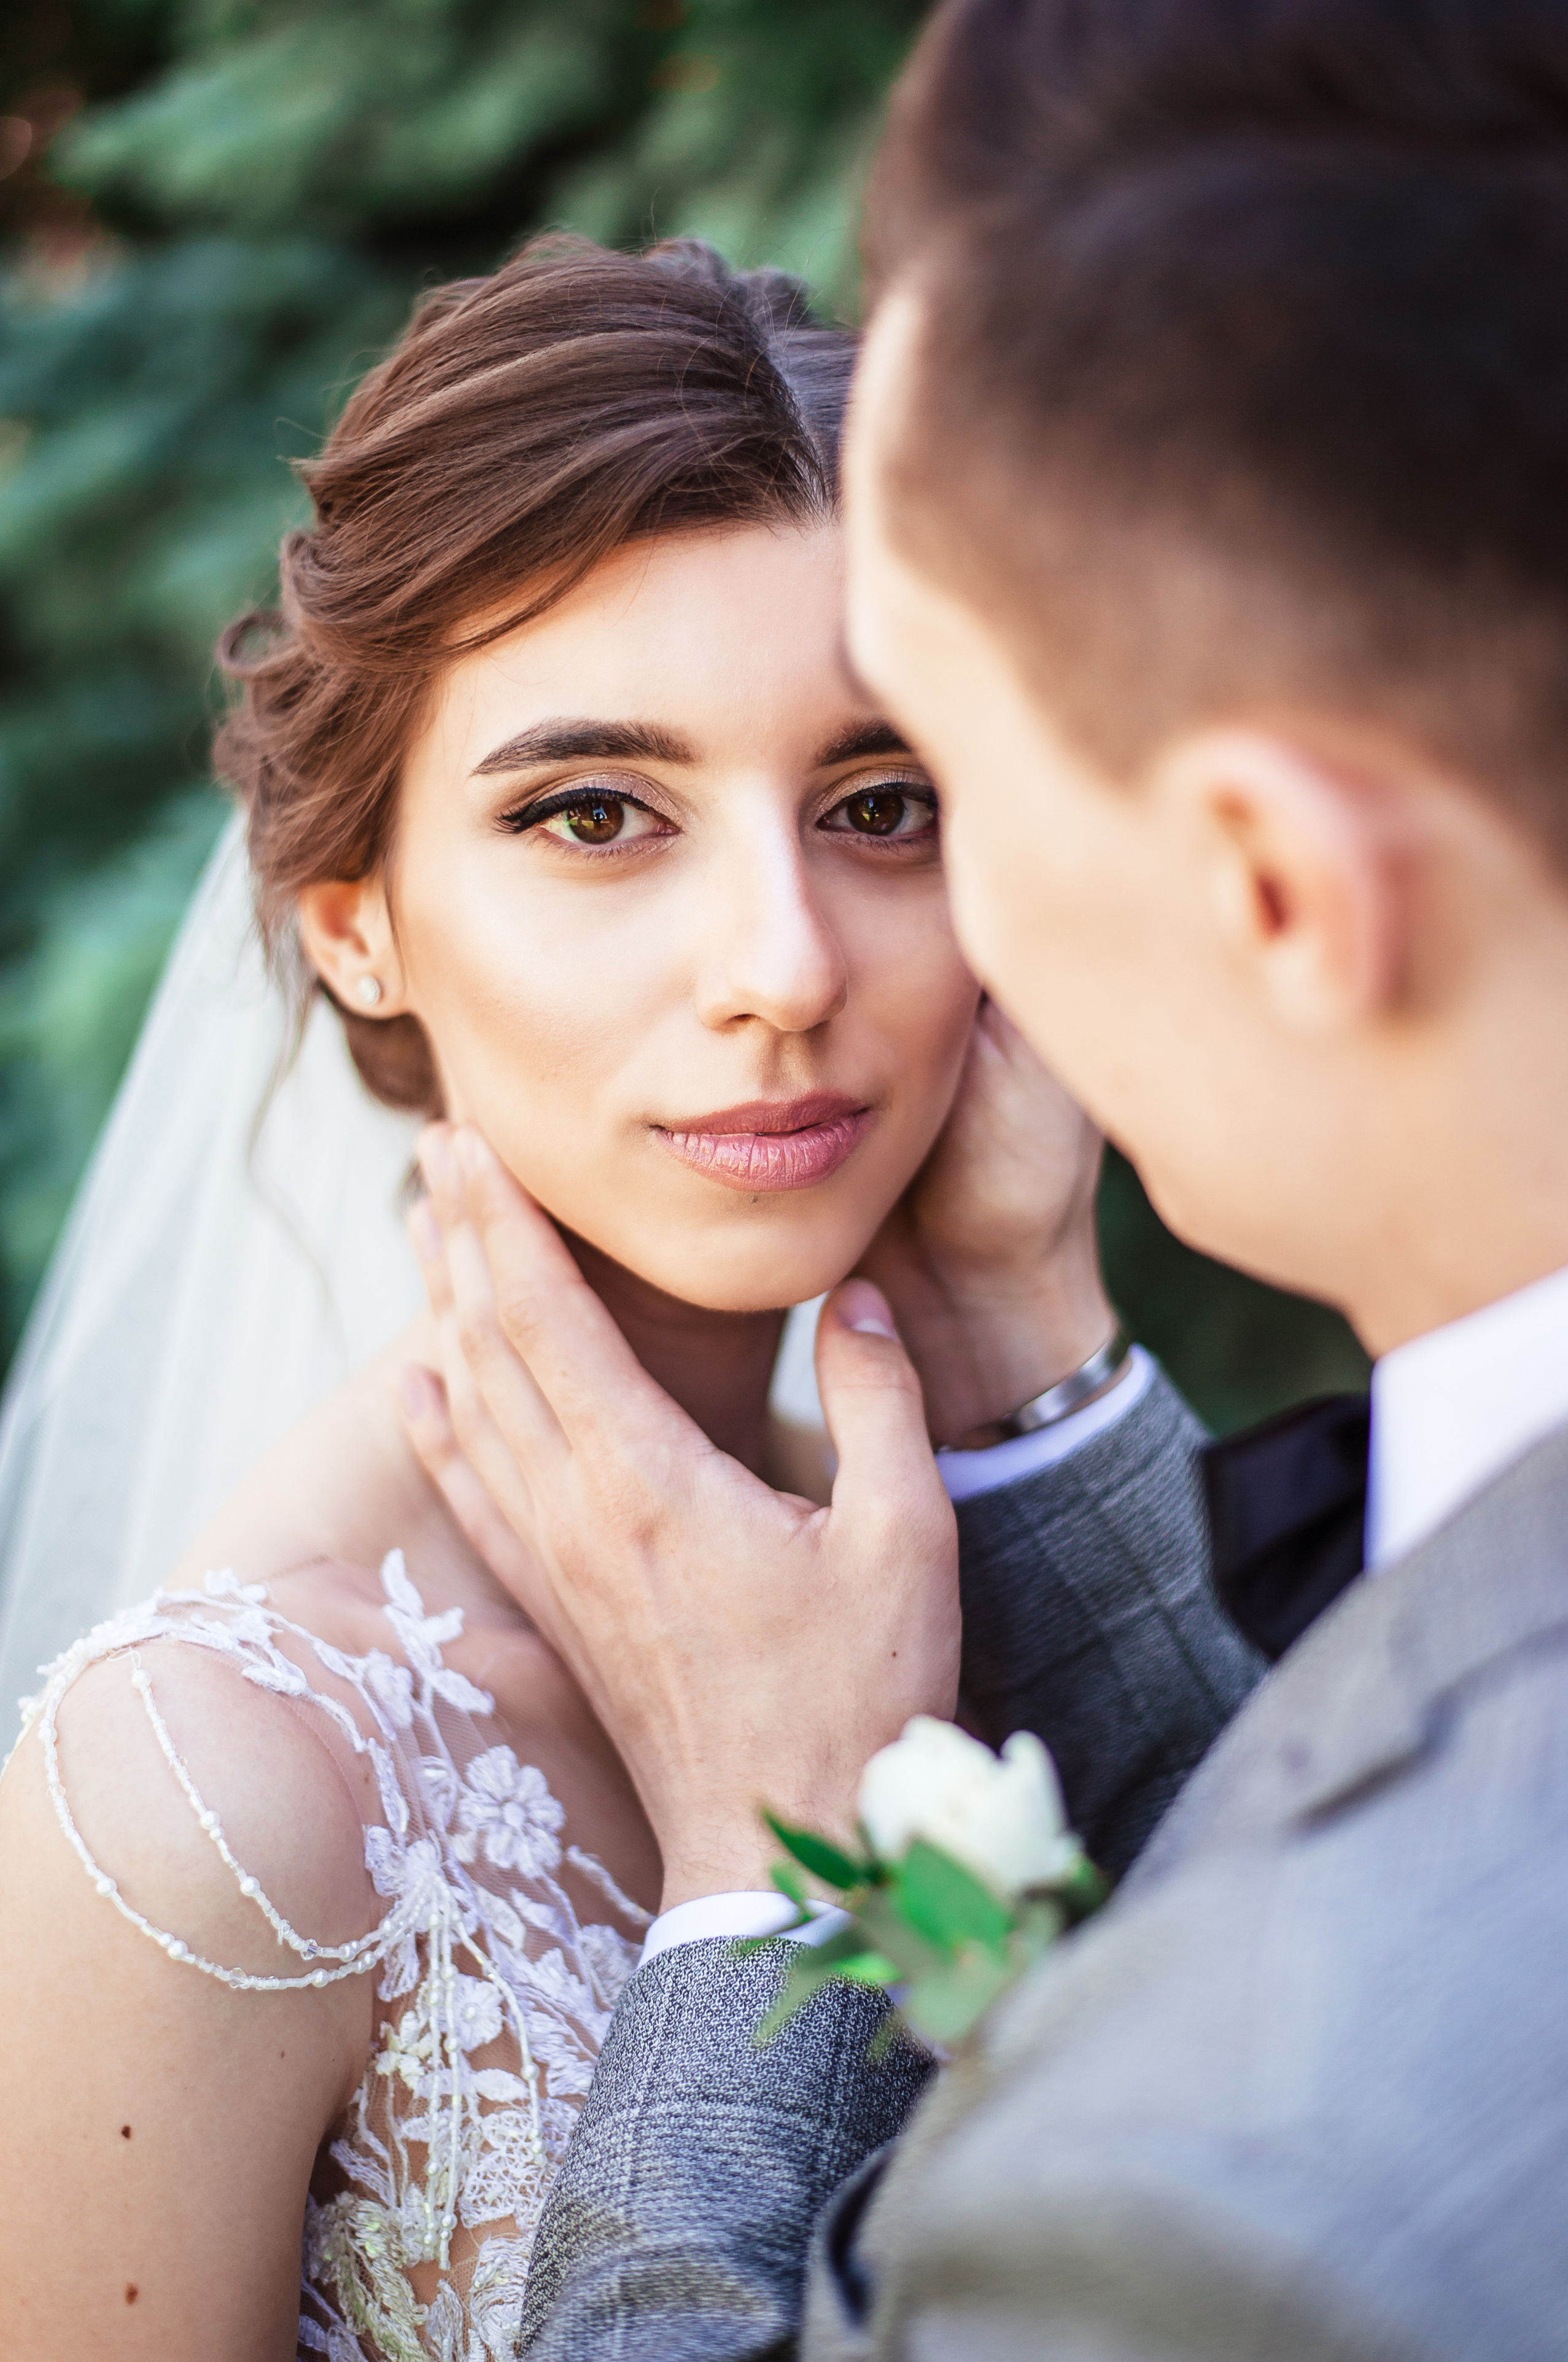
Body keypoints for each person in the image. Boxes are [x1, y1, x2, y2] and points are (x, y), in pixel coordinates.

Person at [383, 4, 1568, 2356]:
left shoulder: (1246, 2215)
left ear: (1277, 889)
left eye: (926, 782)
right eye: (601, 812)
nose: (803, 968)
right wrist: (1037, 1365)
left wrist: (772, 1880)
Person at [0, 230, 1249, 2360]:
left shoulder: (920, 1554)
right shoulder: (206, 1792)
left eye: (884, 803)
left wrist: (1024, 1331)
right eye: (597, 812)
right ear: (359, 925)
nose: (783, 961)